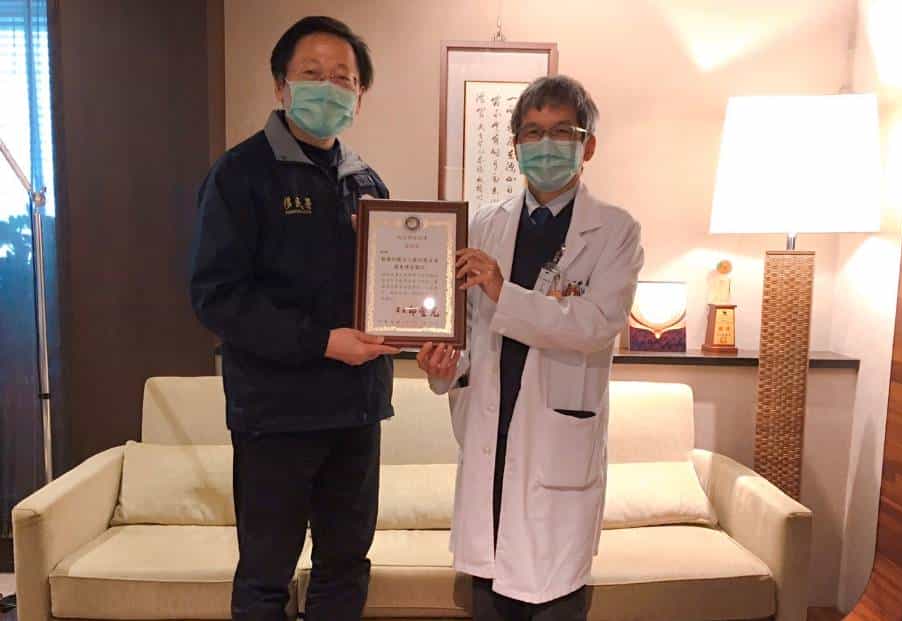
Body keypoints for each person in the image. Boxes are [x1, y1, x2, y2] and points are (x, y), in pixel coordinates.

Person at [189, 16, 399, 621]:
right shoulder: (240, 174)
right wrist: (321, 342)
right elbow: (217, 296)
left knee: (345, 566)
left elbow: (393, 288)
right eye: (312, 73)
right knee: (265, 576)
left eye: (343, 78)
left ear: (360, 94)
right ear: (282, 85)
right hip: (276, 414)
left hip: (357, 410)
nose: (328, 88)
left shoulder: (367, 182)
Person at [417, 75, 644, 621]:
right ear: (515, 146)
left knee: (553, 596)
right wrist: (444, 367)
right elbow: (468, 331)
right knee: (489, 598)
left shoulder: (615, 231)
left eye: (562, 131)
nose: (546, 145)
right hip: (489, 436)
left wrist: (504, 289)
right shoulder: (483, 224)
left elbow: (595, 325)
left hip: (555, 441)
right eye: (533, 132)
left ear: (588, 145)